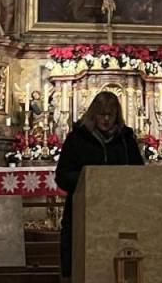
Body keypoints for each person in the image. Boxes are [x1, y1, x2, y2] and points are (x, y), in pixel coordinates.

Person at [55, 91, 144, 280]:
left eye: (110, 115)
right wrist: (89, 179)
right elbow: (62, 176)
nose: (105, 119)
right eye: (101, 114)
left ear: (116, 115)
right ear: (93, 114)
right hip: (85, 210)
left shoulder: (126, 140)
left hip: (118, 210)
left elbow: (139, 174)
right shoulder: (77, 138)